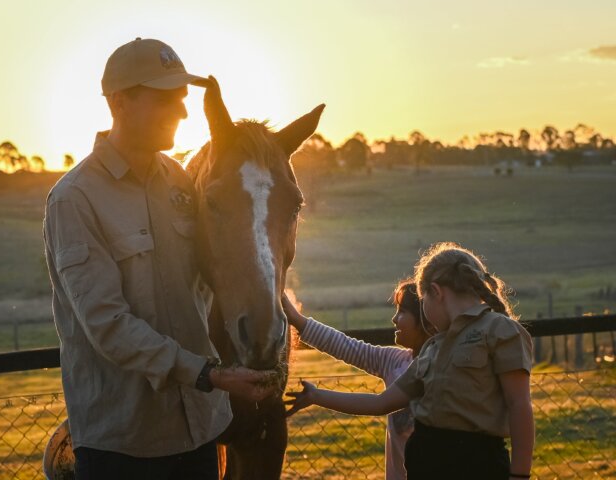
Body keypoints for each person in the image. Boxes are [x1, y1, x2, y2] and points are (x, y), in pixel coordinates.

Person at [43, 37, 276, 480]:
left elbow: (216, 275)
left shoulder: (182, 183)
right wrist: (210, 375)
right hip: (125, 441)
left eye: (183, 99)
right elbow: (107, 325)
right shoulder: (74, 200)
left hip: (199, 429)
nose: (183, 113)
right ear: (119, 103)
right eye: (166, 99)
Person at [285, 242, 534, 480]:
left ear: (435, 292)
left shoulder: (500, 331)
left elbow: (519, 404)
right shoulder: (432, 349)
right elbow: (381, 403)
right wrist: (317, 396)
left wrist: (520, 474)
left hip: (476, 467)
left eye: (422, 300)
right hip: (426, 468)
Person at [281, 280, 434, 480]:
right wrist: (296, 319)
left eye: (403, 312)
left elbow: (379, 404)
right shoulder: (395, 362)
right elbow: (346, 346)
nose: (394, 319)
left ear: (425, 320)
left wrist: (316, 395)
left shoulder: (442, 368)